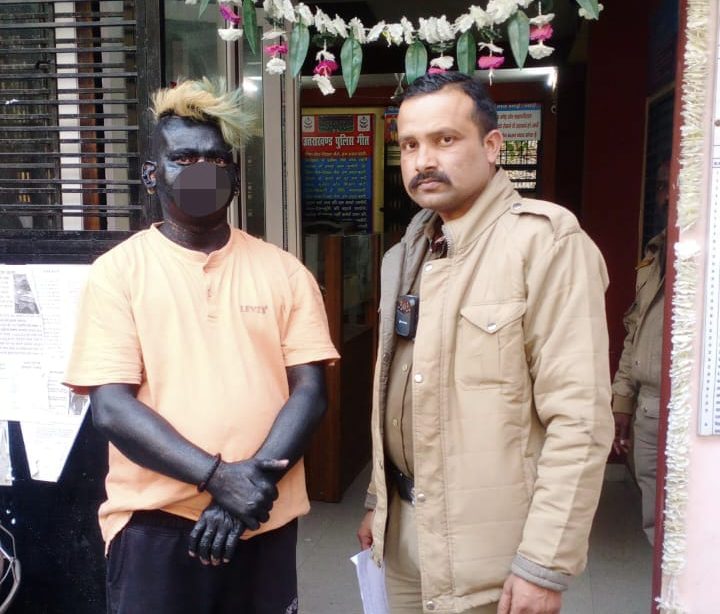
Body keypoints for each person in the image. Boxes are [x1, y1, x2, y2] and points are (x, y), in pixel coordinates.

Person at [63, 79, 339, 614]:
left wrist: (244, 491)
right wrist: (217, 478)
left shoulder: (285, 272)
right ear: (152, 175)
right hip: (154, 526)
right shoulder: (117, 274)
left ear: (233, 175)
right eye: (184, 159)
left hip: (262, 517)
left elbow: (310, 393)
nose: (203, 171)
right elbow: (112, 408)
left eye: (216, 160)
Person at [356, 72, 614, 614]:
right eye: (410, 145)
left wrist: (543, 564)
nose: (424, 160)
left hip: (493, 552)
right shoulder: (405, 255)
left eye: (445, 139)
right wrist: (379, 501)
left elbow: (580, 420)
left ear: (492, 146)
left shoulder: (545, 242)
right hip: (402, 534)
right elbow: (398, 392)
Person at [611, 160, 670, 546]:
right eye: (662, 187)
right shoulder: (655, 253)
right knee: (656, 522)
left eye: (674, 184)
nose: (666, 196)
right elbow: (634, 332)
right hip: (649, 406)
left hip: (697, 411)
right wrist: (622, 402)